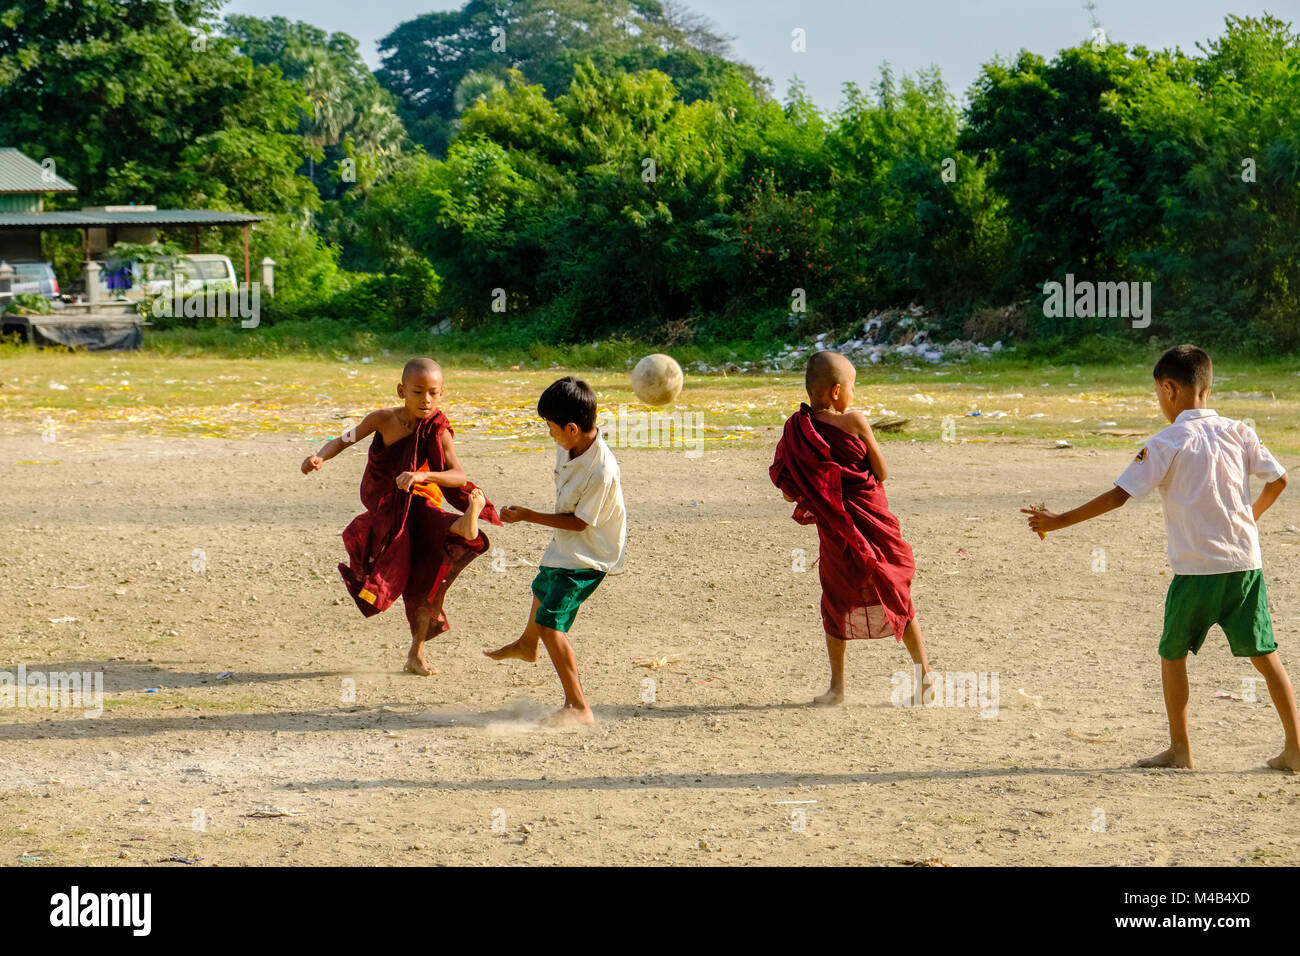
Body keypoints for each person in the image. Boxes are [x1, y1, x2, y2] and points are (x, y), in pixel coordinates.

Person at [1024, 344, 1300, 770]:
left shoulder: (1168, 441)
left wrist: (1057, 521)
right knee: (1265, 654)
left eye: (1157, 392)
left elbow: (1119, 496)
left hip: (1196, 570)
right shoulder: (1239, 431)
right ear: (1206, 387)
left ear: (1169, 388)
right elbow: (1279, 480)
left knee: (1172, 654)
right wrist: (1250, 518)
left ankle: (1181, 750)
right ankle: (1296, 750)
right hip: (1246, 564)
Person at [302, 357, 499, 676]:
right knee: (399, 566)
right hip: (384, 509)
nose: (426, 400)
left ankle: (416, 653)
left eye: (433, 393)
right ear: (401, 391)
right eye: (418, 392)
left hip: (418, 502)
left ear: (441, 394)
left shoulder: (438, 429)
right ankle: (459, 528)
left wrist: (423, 477)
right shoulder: (381, 419)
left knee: (426, 579)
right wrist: (318, 457)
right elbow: (344, 439)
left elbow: (459, 476)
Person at [770, 350, 933, 706]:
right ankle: (925, 677)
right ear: (835, 392)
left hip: (835, 532)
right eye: (852, 387)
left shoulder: (796, 430)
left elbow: (787, 490)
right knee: (896, 592)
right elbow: (882, 473)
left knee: (835, 600)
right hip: (873, 524)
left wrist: (823, 492)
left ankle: (837, 688)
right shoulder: (855, 421)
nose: (853, 396)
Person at [483, 376, 626, 726]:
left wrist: (528, 516)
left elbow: (579, 523)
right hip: (568, 547)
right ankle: (526, 645)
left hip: (590, 554)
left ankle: (579, 707)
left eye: (550, 427)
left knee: (551, 624)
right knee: (541, 588)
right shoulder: (570, 444)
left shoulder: (601, 470)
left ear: (572, 428)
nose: (549, 433)